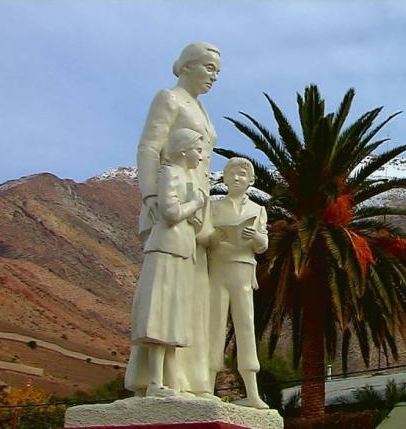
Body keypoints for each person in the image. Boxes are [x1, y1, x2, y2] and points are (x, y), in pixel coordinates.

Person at [127, 42, 219, 397]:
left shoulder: (201, 108)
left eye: (217, 72)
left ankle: (189, 379)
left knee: (191, 292)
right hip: (173, 198)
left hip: (196, 205)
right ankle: (153, 379)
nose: (213, 76)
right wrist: (150, 194)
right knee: (165, 292)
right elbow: (150, 146)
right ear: (187, 66)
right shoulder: (169, 98)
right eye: (209, 68)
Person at [127, 128, 207, 397]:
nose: (200, 155)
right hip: (166, 248)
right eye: (197, 149)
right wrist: (195, 204)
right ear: (183, 149)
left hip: (181, 249)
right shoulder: (170, 173)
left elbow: (188, 220)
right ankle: (154, 382)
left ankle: (167, 380)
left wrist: (195, 215)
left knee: (173, 313)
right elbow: (171, 213)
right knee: (159, 313)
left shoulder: (187, 177)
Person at [208, 158, 269, 409]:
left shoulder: (258, 209)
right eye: (231, 173)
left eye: (242, 174)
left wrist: (254, 236)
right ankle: (206, 384)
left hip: (243, 272)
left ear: (250, 180)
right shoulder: (213, 208)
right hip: (218, 271)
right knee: (214, 327)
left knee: (246, 328)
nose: (236, 178)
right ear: (224, 178)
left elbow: (263, 245)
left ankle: (252, 392)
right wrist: (216, 236)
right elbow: (204, 239)